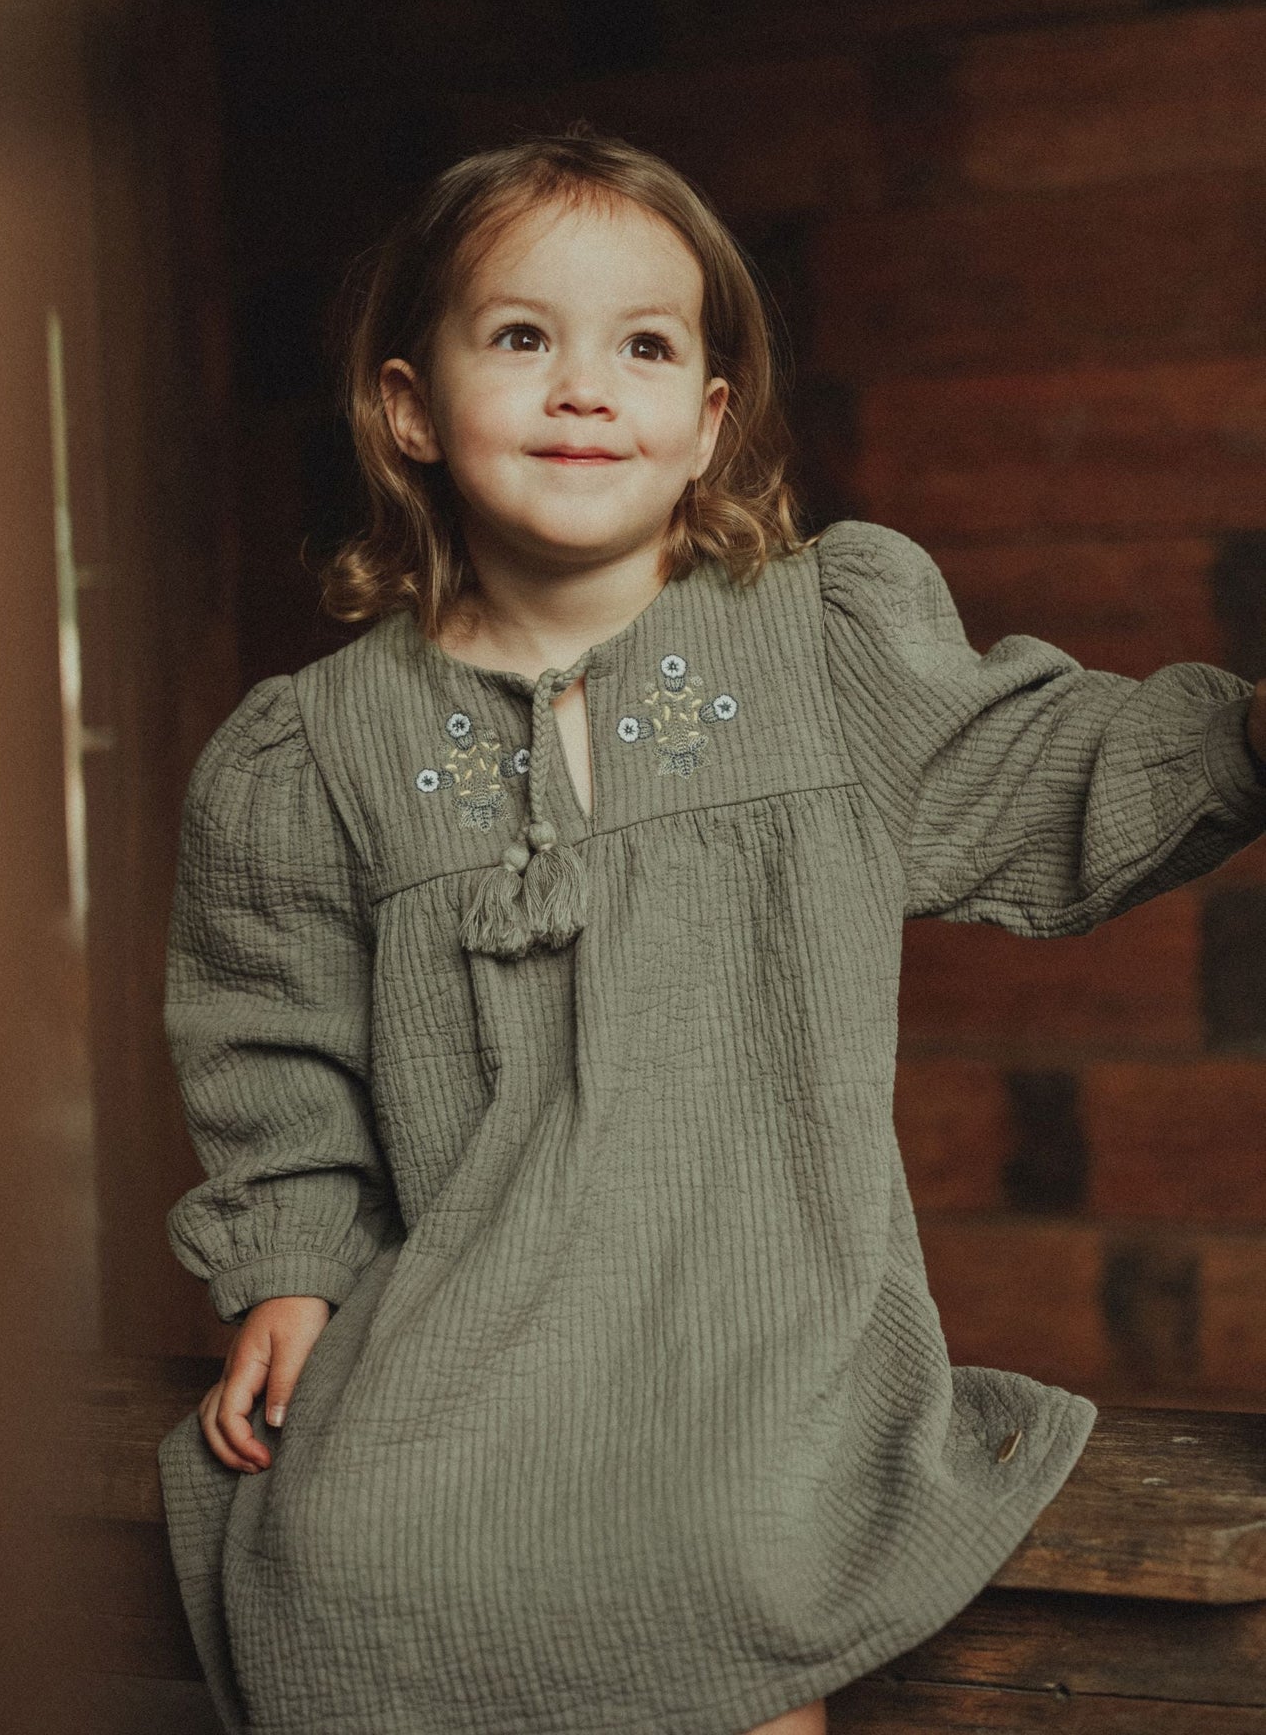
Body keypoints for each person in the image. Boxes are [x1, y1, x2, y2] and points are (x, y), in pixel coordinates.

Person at [156, 127, 1266, 1735]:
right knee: (340, 1558)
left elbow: (1039, 773)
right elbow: (273, 1035)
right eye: (522, 338)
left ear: (708, 423)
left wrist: (1235, 739)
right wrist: (287, 1266)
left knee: (731, 1566)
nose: (583, 387)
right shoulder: (311, 749)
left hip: (755, 1345)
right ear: (407, 407)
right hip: (469, 1347)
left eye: (645, 347)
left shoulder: (820, 645)